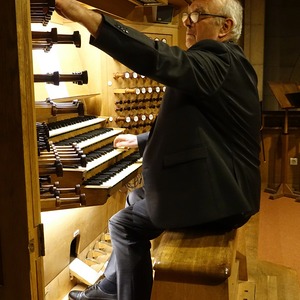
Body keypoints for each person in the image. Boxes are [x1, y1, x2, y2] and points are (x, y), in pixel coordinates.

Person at [55, 0, 261, 299]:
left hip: (223, 197)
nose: (186, 23)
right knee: (136, 195)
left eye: (197, 16)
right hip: (225, 185)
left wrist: (93, 19)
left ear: (225, 27)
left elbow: (159, 58)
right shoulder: (225, 64)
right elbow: (197, 125)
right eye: (187, 16)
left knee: (122, 225)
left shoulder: (219, 57)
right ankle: (112, 286)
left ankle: (124, 295)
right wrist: (140, 141)